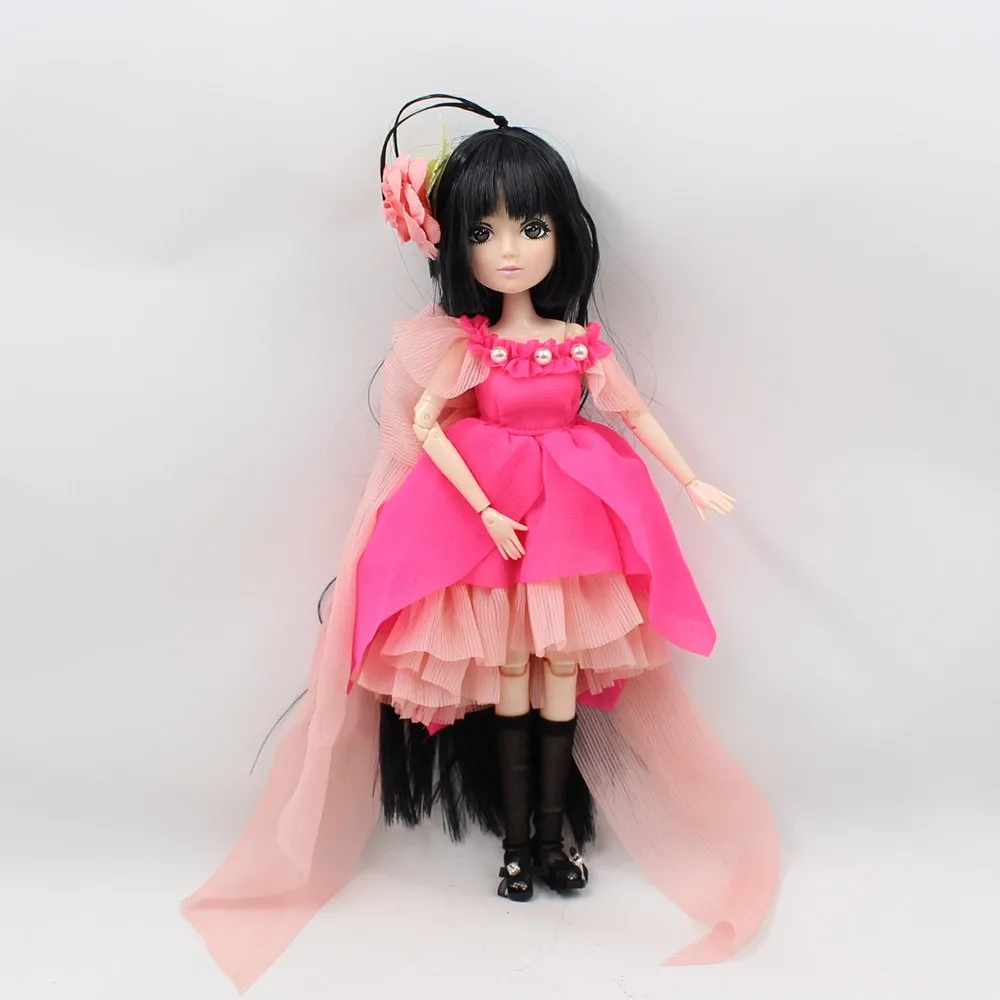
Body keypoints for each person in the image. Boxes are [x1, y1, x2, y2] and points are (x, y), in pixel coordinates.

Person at [182, 93, 779, 994]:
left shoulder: (578, 344)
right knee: (509, 672)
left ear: (561, 236)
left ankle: (555, 837)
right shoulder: (472, 348)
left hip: (569, 516)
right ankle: (514, 843)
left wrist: (689, 479)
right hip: (496, 515)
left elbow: (631, 411)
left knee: (559, 668)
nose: (507, 249)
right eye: (483, 231)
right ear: (456, 244)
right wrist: (483, 509)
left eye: (529, 227)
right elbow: (427, 425)